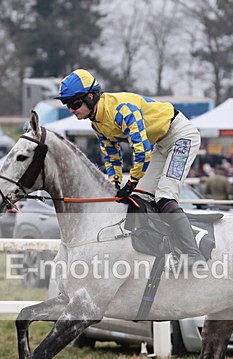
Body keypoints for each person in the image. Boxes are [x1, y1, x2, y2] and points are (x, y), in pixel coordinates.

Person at [56, 68, 205, 266]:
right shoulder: (97, 123)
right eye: (67, 105)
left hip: (182, 137)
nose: (72, 110)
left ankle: (192, 253)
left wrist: (132, 181)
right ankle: (159, 246)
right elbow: (111, 156)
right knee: (140, 197)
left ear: (90, 97)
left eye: (75, 104)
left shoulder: (122, 110)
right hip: (160, 144)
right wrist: (116, 183)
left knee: (164, 196)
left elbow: (141, 151)